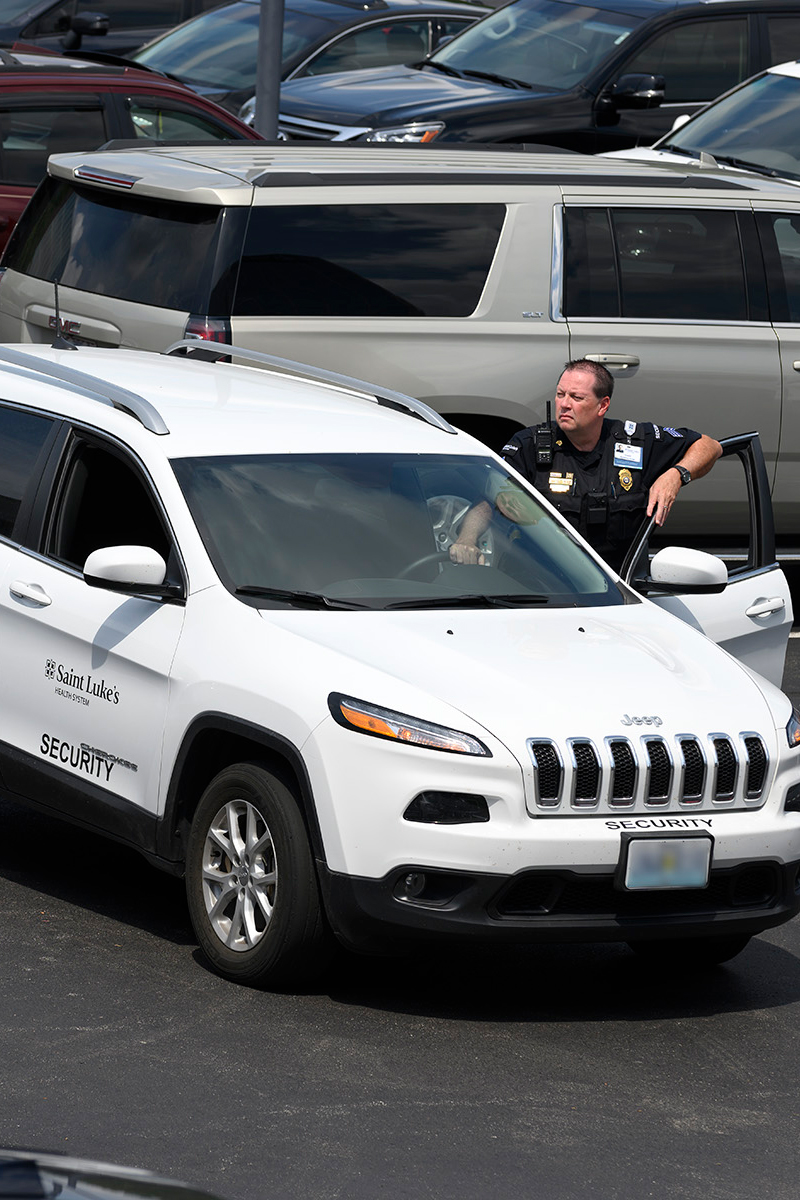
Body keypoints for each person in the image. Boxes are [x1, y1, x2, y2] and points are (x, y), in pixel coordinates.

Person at [451, 359, 722, 572]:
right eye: (560, 395)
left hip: (622, 587)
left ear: (602, 405)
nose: (564, 405)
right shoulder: (529, 445)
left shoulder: (636, 441)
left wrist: (676, 475)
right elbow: (489, 500)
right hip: (546, 583)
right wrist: (466, 538)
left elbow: (710, 446)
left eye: (576, 398)